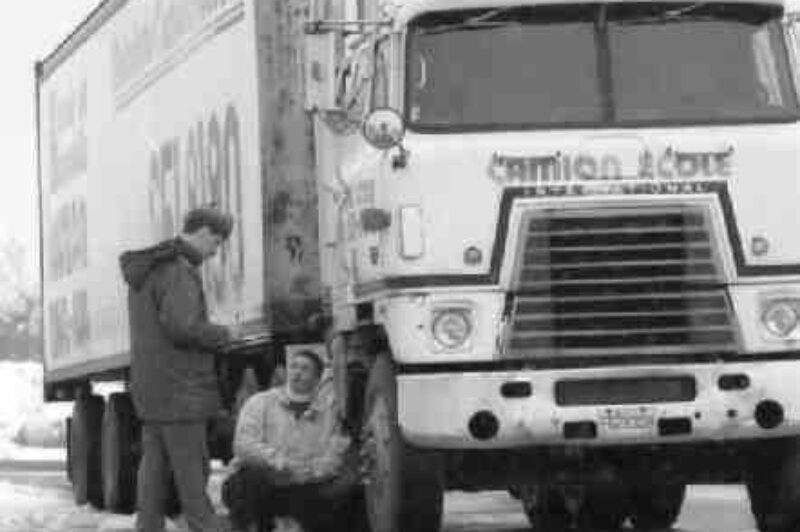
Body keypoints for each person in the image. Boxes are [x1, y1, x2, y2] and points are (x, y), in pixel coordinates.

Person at [119, 206, 239, 532]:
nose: (216, 250)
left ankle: (148, 527)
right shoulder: (177, 271)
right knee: (192, 474)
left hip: (153, 388)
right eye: (216, 241)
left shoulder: (149, 269)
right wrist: (223, 334)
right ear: (202, 232)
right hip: (181, 390)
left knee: (153, 472)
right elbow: (183, 327)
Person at [222, 349, 357, 532]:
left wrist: (306, 472)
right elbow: (243, 445)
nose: (297, 372)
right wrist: (280, 462)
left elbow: (334, 458)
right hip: (260, 481)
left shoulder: (329, 415)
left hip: (301, 485)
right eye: (293, 366)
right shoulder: (260, 402)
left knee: (344, 488)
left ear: (317, 379)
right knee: (249, 481)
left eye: (305, 368)